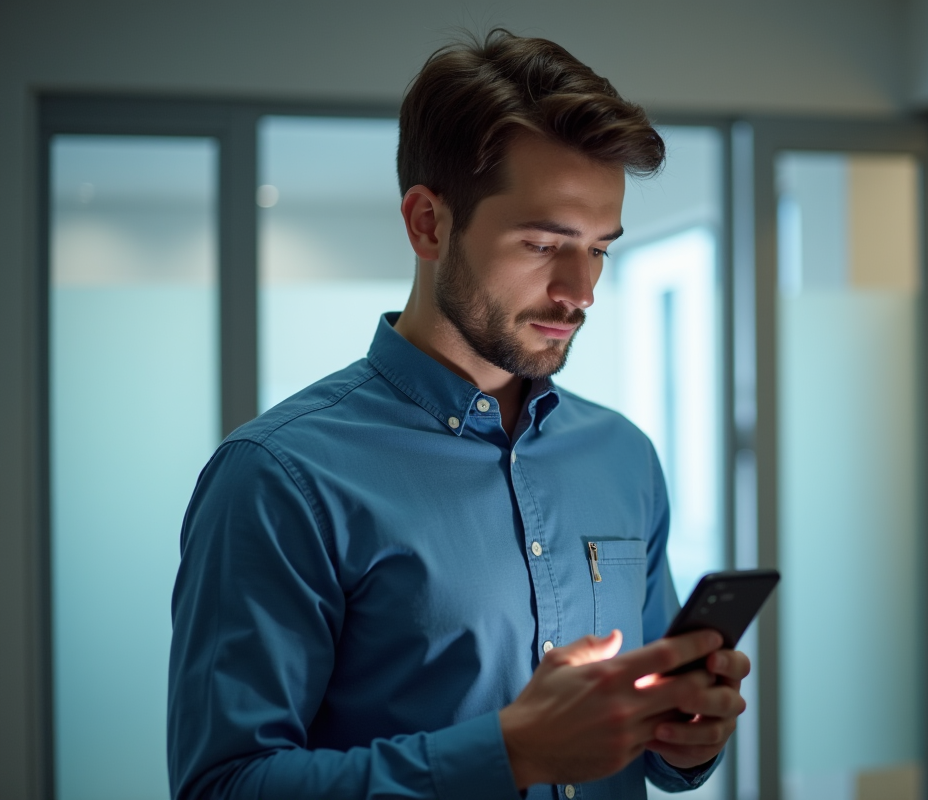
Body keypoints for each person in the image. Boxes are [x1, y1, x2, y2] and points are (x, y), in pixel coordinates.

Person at [167, 29, 750, 800]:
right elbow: (224, 786)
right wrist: (508, 755)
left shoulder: (623, 456)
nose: (582, 291)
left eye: (600, 249)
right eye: (544, 244)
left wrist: (682, 740)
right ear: (428, 224)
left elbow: (647, 747)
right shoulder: (278, 479)